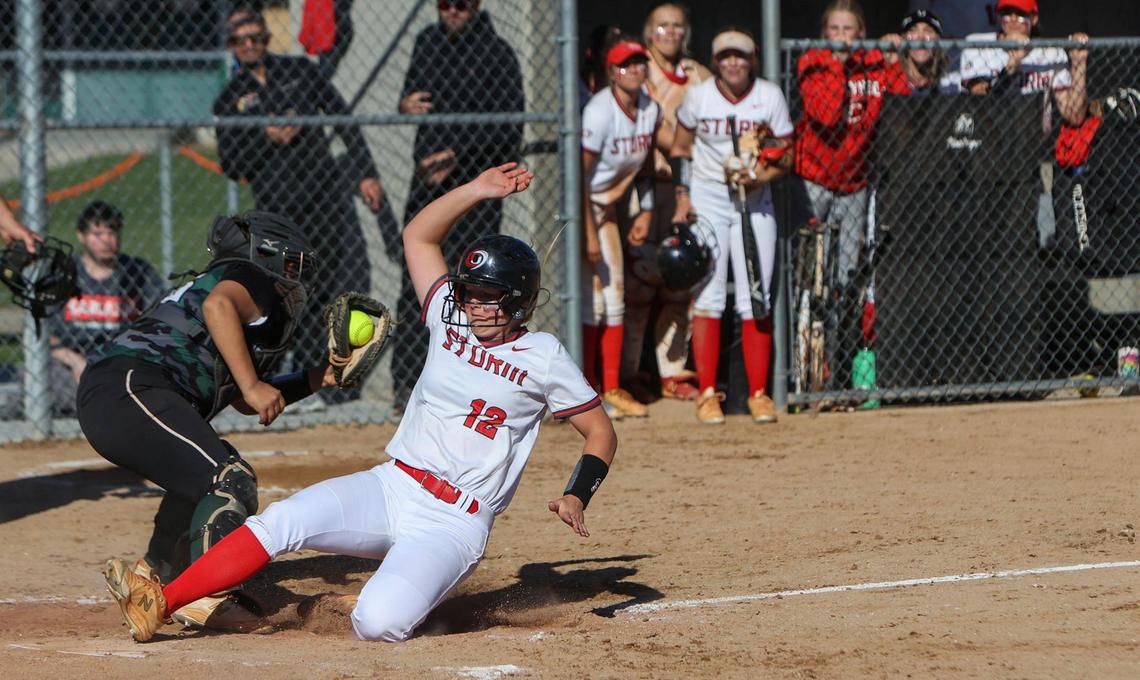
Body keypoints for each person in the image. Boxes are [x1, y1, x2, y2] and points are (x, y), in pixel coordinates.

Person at [102, 164, 619, 644]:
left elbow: (601, 433)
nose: (473, 305)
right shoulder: (448, 318)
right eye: (468, 292)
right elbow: (418, 236)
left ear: (518, 301)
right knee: (280, 521)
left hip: (457, 521)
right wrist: (478, 190)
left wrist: (577, 494)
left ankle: (396, 596)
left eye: (489, 296)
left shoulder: (543, 355)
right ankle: (162, 602)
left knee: (378, 623)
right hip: (394, 484)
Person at [82, 210, 335, 633]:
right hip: (131, 387)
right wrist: (253, 385)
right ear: (263, 255)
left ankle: (153, 578)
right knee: (227, 479)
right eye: (290, 264)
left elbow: (247, 401)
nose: (295, 276)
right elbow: (221, 311)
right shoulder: (247, 278)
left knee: (206, 473)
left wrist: (319, 378)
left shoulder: (227, 299)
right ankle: (208, 596)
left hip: (121, 389)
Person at [213, 6, 383, 383]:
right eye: (240, 40)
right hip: (277, 210)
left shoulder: (299, 71)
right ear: (231, 46)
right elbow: (231, 164)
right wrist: (264, 137)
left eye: (255, 37)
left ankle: (311, 376)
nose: (249, 45)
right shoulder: (229, 100)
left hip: (322, 197)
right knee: (282, 293)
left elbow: (341, 117)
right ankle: (271, 374)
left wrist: (367, 173)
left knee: (323, 284)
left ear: (266, 39)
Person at [389, 0, 525, 419]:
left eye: (461, 4)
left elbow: (508, 124)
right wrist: (405, 106)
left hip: (475, 193)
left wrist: (456, 154)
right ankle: (408, 384)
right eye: (445, 3)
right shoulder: (426, 41)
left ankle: (471, 383)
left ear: (477, 6)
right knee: (417, 285)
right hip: (428, 187)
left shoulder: (497, 52)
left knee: (474, 287)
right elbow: (411, 97)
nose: (452, 10)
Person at [669, 28, 794, 425]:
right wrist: (682, 197)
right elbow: (680, 146)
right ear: (716, 60)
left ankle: (758, 393)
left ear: (752, 57)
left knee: (754, 293)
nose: (733, 63)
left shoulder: (769, 96)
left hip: (755, 200)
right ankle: (708, 393)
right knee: (708, 295)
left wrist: (762, 175)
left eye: (740, 55)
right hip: (709, 199)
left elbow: (787, 154)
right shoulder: (700, 95)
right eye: (725, 56)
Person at [793, 0, 907, 393]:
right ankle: (804, 370)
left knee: (846, 276)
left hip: (856, 181)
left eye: (849, 30)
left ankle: (840, 368)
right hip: (816, 180)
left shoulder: (874, 61)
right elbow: (826, 113)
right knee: (811, 279)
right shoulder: (812, 61)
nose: (842, 38)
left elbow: (905, 93)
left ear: (861, 32)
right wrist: (843, 64)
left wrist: (895, 56)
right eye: (835, 30)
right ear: (825, 33)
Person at [622, 2, 711, 403]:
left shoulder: (697, 74)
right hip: (648, 185)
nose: (670, 33)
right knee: (641, 284)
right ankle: (631, 370)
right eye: (662, 26)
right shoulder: (641, 71)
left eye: (677, 26)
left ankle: (673, 370)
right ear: (649, 31)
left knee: (679, 283)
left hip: (686, 189)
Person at [581, 38, 671, 419]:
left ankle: (612, 387)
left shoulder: (649, 106)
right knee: (593, 302)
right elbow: (577, 177)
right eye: (624, 65)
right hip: (584, 206)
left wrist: (647, 211)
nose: (633, 70)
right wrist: (587, 233)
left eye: (639, 64)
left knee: (614, 297)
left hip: (610, 207)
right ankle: (586, 391)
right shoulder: (600, 111)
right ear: (611, 73)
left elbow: (650, 162)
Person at [45, 201, 164, 415]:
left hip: (122, 359)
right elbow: (44, 330)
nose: (107, 241)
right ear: (81, 236)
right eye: (97, 234)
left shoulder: (138, 272)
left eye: (112, 232)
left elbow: (158, 319)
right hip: (69, 361)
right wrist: (74, 360)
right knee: (44, 382)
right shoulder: (65, 272)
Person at [959, 0, 1088, 126]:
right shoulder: (977, 45)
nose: (1014, 19)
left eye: (1020, 13)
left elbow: (1074, 116)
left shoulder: (1051, 53)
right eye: (1007, 13)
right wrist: (1013, 63)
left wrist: (1079, 63)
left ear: (1034, 18)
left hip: (1034, 139)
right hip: (992, 137)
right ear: (999, 17)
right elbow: (981, 106)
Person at [882, 9, 962, 95]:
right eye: (913, 30)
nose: (920, 37)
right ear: (902, 38)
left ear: (938, 39)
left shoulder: (950, 80)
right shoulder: (889, 76)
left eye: (928, 31)